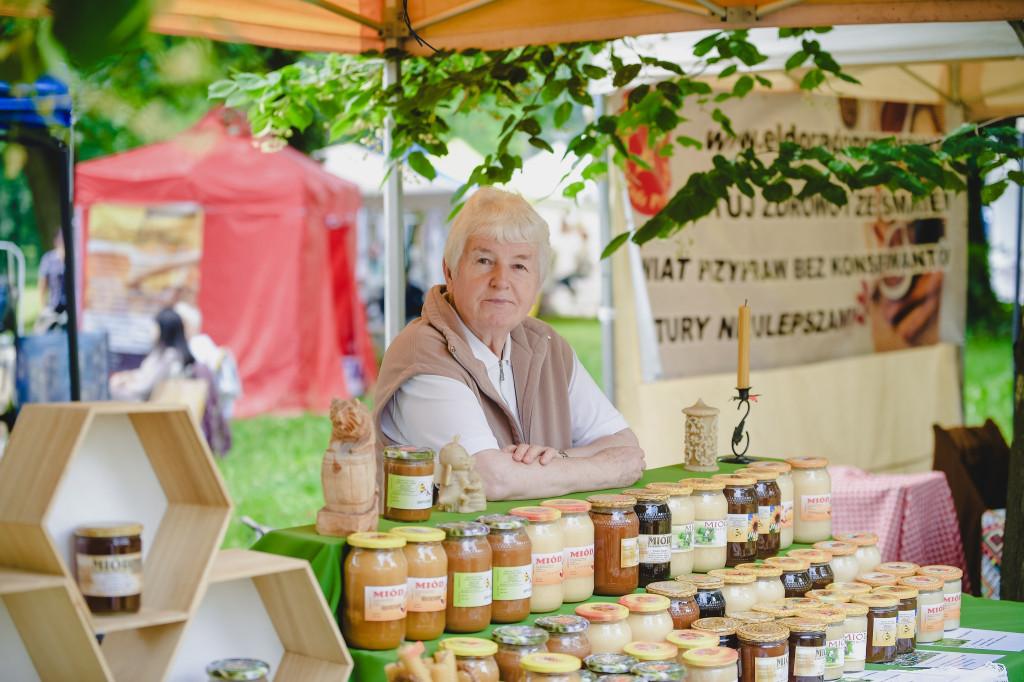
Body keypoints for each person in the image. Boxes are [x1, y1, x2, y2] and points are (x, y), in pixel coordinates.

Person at [373, 187, 646, 501]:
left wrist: (560, 459)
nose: (501, 280)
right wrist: (604, 468)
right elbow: (488, 479)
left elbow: (624, 444)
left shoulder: (547, 345)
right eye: (484, 260)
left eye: (519, 266)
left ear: (537, 282)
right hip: (436, 535)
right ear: (450, 272)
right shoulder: (424, 352)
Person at [109, 307, 195, 402]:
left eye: (155, 325)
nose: (152, 329)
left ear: (163, 329)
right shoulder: (160, 351)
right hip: (140, 396)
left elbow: (145, 387)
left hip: (142, 401)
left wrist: (125, 386)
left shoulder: (169, 355)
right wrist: (126, 377)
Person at [34, 231, 66, 332]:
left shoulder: (75, 258)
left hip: (69, 307)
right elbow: (42, 283)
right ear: (56, 242)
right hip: (53, 306)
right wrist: (43, 307)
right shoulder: (48, 258)